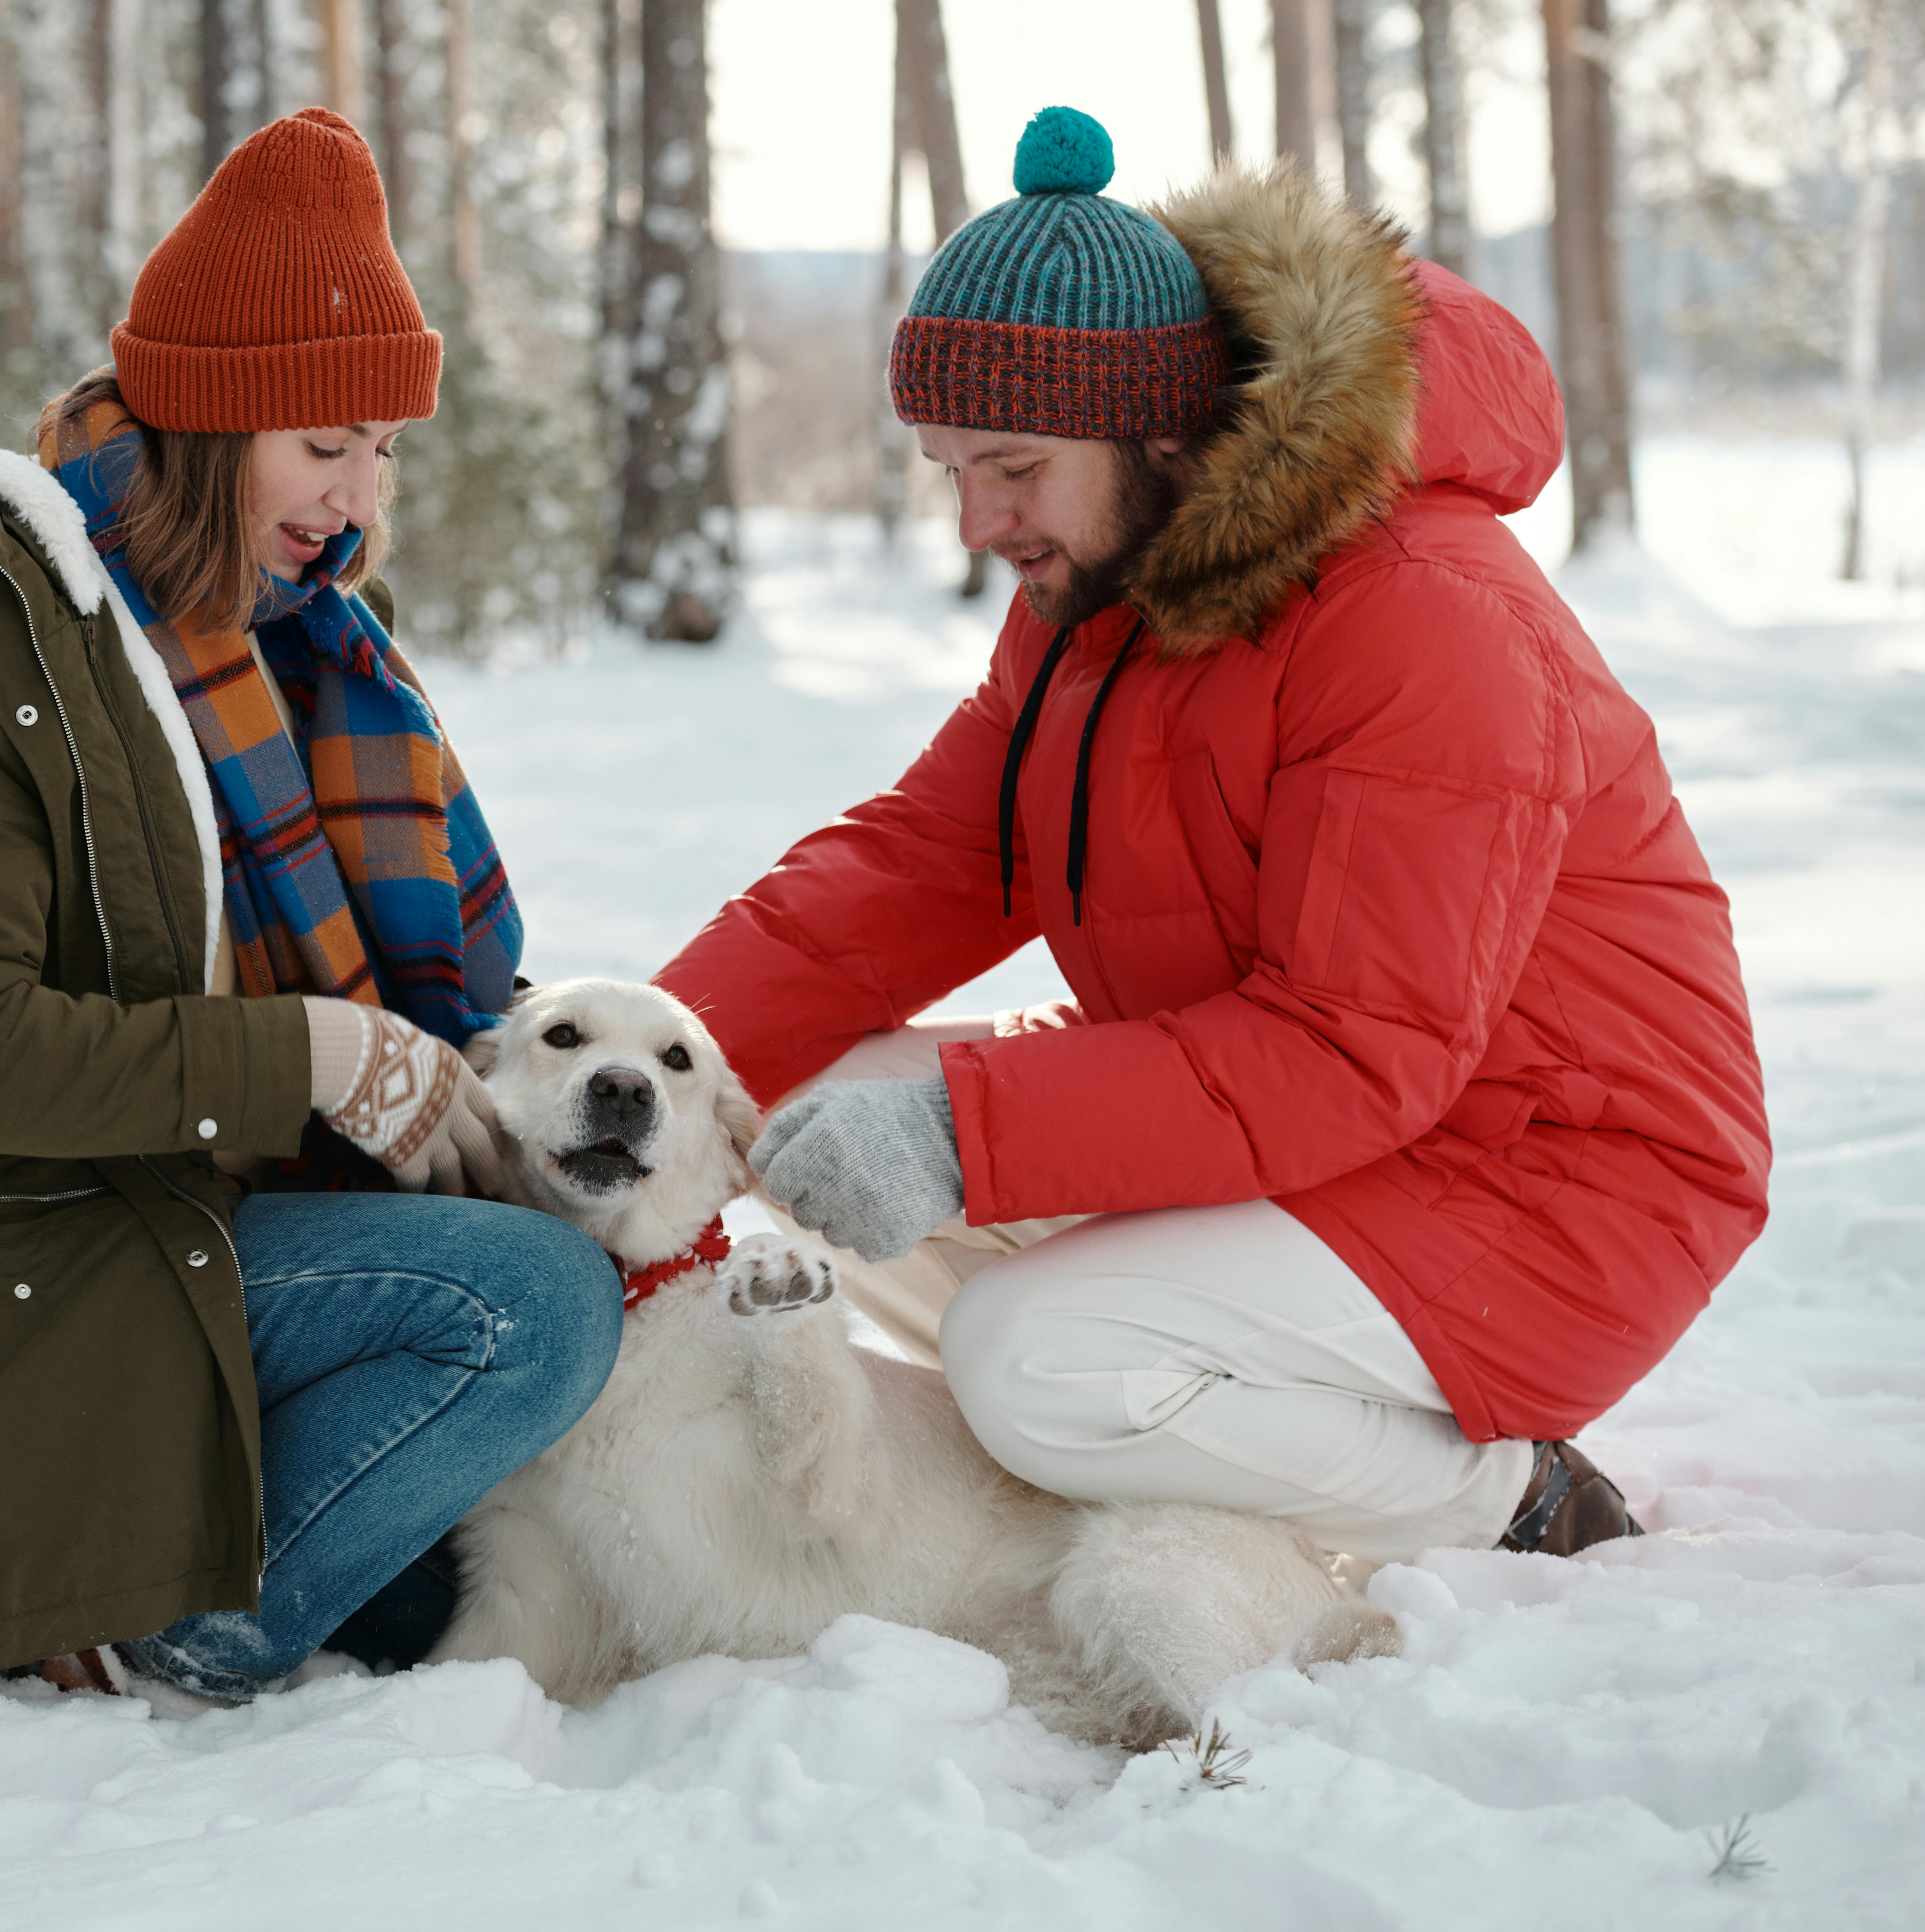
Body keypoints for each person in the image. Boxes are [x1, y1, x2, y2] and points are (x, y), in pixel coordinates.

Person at [658, 107, 1770, 1565]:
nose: (980, 522)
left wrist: (961, 1130)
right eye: (950, 473)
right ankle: (1201, 1421)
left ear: (1159, 430)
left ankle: (1498, 1493)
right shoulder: (1097, 587)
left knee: (1029, 1354)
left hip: (1552, 1177)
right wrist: (646, 1058)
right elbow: (922, 862)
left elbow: (1350, 1042)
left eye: (1012, 467)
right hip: (1316, 1125)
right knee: (784, 1109)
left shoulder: (1423, 620)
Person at [0, 108, 619, 1704]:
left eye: (382, 449)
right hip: (24, 1284)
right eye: (321, 445)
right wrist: (298, 1052)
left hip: (190, 1240)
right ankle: (149, 1626)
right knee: (537, 1315)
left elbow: (423, 986)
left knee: (484, 1545)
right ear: (215, 426)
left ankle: (223, 1560)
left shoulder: (296, 635)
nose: (356, 499)